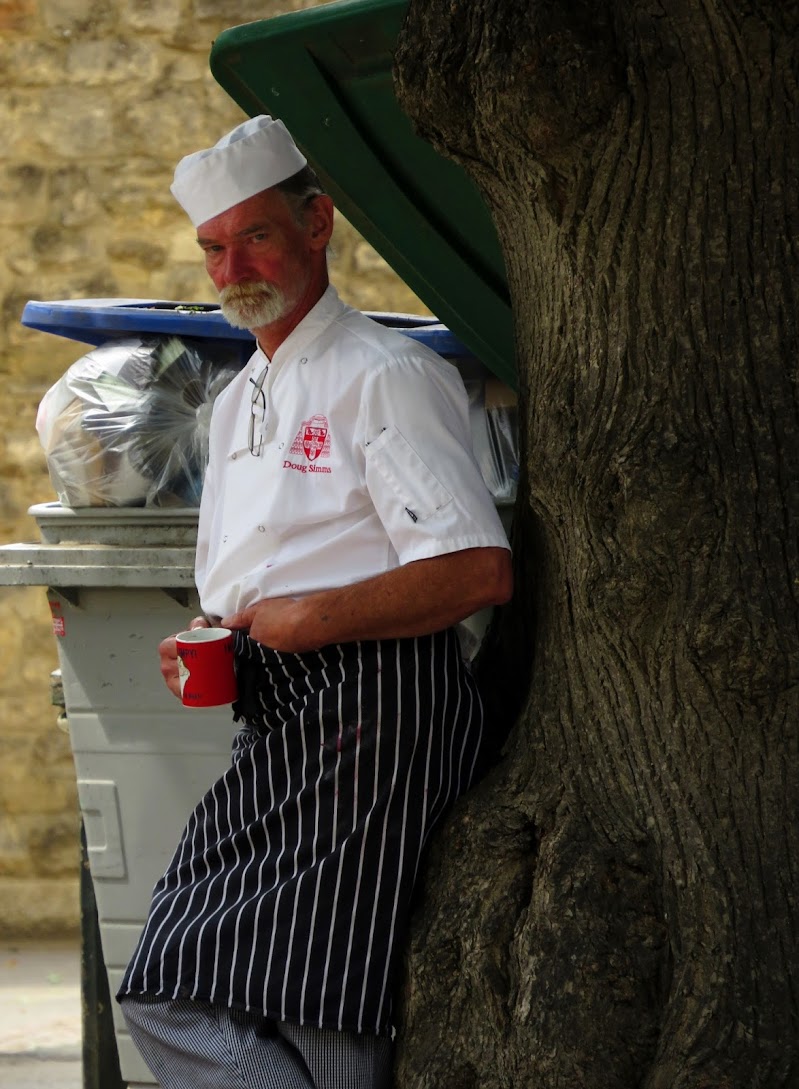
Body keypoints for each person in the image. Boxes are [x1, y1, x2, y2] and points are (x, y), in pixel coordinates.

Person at [117, 114, 513, 1089]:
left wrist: (308, 621)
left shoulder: (385, 377)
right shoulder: (234, 399)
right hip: (281, 706)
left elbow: (474, 571)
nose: (231, 267)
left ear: (317, 223)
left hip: (375, 715)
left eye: (253, 235)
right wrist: (207, 637)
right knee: (223, 982)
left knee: (308, 999)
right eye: (213, 247)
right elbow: (255, 574)